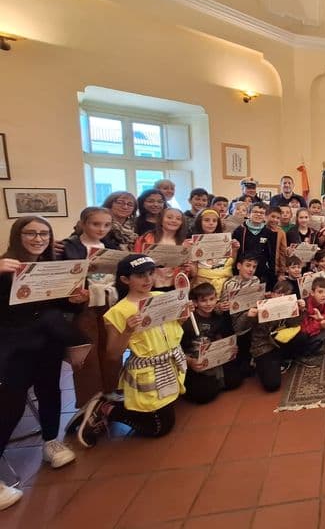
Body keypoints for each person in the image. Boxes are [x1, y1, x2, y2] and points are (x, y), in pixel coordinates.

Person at [1, 217, 87, 510]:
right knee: (10, 404)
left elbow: (59, 304)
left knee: (50, 390)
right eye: (31, 233)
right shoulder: (5, 266)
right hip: (13, 346)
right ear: (18, 235)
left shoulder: (52, 266)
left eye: (44, 234)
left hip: (48, 342)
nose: (38, 239)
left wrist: (76, 300)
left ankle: (51, 441)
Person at [75, 255, 191, 448]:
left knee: (166, 409)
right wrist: (128, 330)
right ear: (125, 279)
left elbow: (174, 327)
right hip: (147, 369)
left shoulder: (161, 297)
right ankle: (106, 408)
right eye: (140, 275)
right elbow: (113, 354)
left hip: (169, 363)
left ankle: (119, 404)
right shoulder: (118, 311)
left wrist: (184, 314)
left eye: (150, 273)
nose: (147, 279)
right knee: (160, 427)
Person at [59, 207, 125, 408]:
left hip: (109, 300)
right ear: (83, 223)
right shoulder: (69, 247)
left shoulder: (111, 246)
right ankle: (90, 398)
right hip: (83, 305)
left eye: (106, 225)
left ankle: (112, 389)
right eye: (96, 224)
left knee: (111, 347)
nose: (101, 229)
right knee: (87, 351)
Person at [180, 282, 243, 404]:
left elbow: (222, 338)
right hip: (193, 360)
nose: (209, 303)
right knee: (204, 395)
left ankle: (215, 381)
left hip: (214, 358)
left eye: (212, 299)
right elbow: (179, 349)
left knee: (235, 380)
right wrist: (190, 362)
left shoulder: (218, 317)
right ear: (195, 303)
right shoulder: (188, 321)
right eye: (203, 301)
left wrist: (229, 348)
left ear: (216, 299)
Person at [246, 280, 305, 390]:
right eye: (279, 293)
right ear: (272, 294)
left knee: (302, 337)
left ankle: (283, 359)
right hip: (264, 345)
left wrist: (300, 310)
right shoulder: (262, 306)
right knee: (272, 385)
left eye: (286, 294)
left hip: (279, 341)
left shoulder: (289, 305)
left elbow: (294, 324)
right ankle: (260, 362)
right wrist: (251, 317)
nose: (282, 297)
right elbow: (248, 327)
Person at [133, 208, 191, 290]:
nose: (174, 221)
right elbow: (135, 260)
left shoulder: (185, 244)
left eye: (178, 219)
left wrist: (187, 267)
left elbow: (187, 269)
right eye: (169, 217)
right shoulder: (145, 238)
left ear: (182, 223)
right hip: (149, 284)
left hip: (174, 285)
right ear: (161, 220)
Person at [190, 209, 240, 295]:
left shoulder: (224, 239)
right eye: (206, 220)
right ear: (199, 222)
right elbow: (193, 271)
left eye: (214, 221)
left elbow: (230, 263)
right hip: (203, 283)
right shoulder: (193, 242)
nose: (211, 223)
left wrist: (234, 249)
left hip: (225, 282)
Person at [231, 202, 275, 286]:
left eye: (262, 213)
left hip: (261, 271)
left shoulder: (268, 232)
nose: (258, 214)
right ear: (248, 214)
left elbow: (271, 255)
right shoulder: (240, 230)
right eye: (255, 212)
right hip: (243, 271)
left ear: (265, 216)